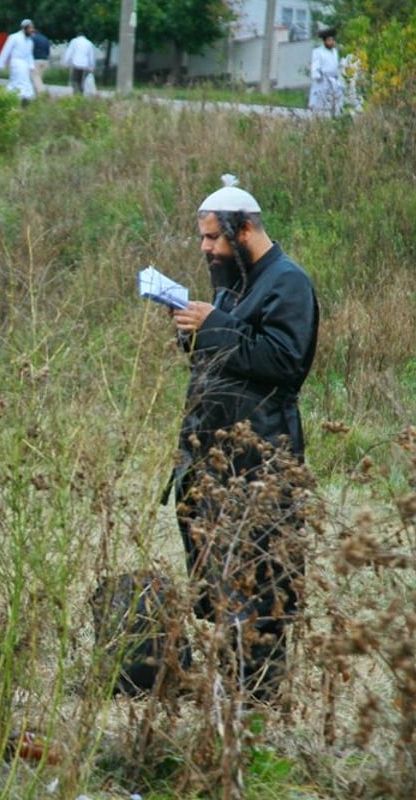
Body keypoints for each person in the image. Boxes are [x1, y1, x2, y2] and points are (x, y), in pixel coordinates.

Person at [166, 175, 319, 703]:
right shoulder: (232, 280)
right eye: (203, 238)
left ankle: (260, 696)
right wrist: (193, 331)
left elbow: (285, 362)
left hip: (261, 459)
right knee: (218, 573)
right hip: (212, 457)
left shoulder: (288, 282)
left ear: (245, 228)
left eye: (213, 238)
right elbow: (229, 354)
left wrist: (213, 325)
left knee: (263, 574)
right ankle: (228, 681)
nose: (206, 248)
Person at [0, 19, 36, 103]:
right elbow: (6, 50)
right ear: (25, 28)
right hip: (16, 63)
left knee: (25, 81)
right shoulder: (14, 37)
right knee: (17, 81)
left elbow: (29, 54)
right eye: (30, 28)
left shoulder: (30, 41)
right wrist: (0, 64)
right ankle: (17, 98)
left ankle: (23, 98)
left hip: (25, 64)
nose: (32, 30)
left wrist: (31, 65)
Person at [309, 27, 344, 117]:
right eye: (329, 40)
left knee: (335, 104)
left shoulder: (335, 52)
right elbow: (315, 67)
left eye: (332, 40)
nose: (331, 42)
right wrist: (318, 75)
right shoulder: (318, 52)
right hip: (322, 81)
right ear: (325, 41)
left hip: (334, 81)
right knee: (320, 105)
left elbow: (335, 66)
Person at [62, 32, 97, 96]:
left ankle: (76, 93)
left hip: (76, 64)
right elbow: (91, 55)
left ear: (77, 36)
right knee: (82, 81)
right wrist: (92, 66)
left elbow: (70, 52)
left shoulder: (74, 41)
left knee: (75, 80)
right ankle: (81, 93)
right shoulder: (89, 43)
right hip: (85, 65)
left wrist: (66, 62)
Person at [30, 25, 50, 96]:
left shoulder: (33, 38)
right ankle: (37, 95)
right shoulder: (45, 38)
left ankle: (42, 93)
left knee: (35, 77)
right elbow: (48, 51)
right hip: (45, 61)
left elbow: (30, 50)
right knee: (39, 78)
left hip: (36, 60)